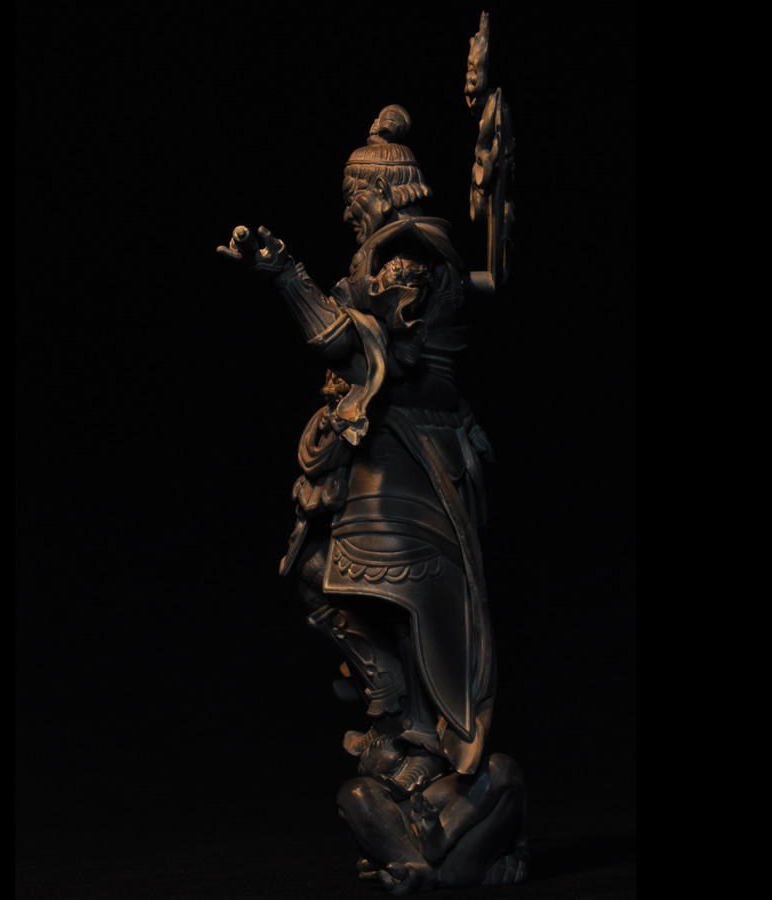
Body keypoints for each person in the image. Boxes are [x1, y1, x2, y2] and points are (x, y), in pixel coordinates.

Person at [221, 106, 527, 893]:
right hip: (380, 451)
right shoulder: (388, 255)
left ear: (381, 189)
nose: (349, 206)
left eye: (354, 192)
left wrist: (286, 274)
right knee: (319, 573)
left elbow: (352, 345)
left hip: (414, 455)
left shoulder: (407, 259)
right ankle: (395, 712)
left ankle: (427, 736)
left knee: (414, 599)